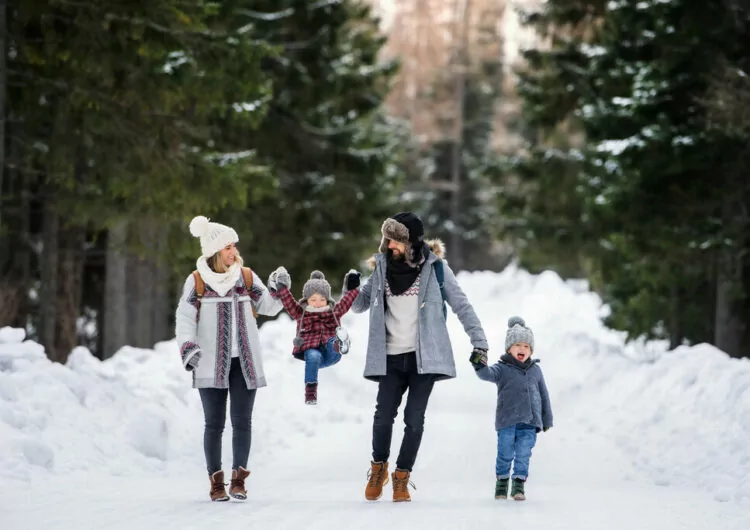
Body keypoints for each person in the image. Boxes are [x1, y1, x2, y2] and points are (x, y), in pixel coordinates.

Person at [348, 211, 488, 502]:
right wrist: (350, 290)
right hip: (389, 356)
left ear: (409, 242)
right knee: (383, 416)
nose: (388, 247)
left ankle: (402, 476)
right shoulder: (383, 268)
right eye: (387, 240)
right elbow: (359, 305)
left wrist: (480, 342)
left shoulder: (436, 269)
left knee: (414, 419)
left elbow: (462, 305)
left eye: (394, 241)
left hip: (424, 359)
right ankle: (378, 468)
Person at [175, 215, 283, 502]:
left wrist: (279, 287)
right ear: (214, 251)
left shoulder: (245, 277)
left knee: (243, 422)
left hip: (244, 363)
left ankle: (238, 481)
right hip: (209, 362)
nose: (233, 251)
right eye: (227, 247)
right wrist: (188, 348)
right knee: (214, 424)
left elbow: (269, 306)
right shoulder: (196, 281)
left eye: (234, 246)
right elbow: (185, 318)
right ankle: (216, 483)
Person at [470, 316, 553, 501]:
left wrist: (547, 419)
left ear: (531, 350)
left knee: (524, 454)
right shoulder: (502, 368)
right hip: (507, 420)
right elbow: (486, 374)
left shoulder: (536, 370)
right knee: (505, 453)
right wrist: (478, 363)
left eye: (526, 346)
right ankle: (501, 484)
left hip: (530, 422)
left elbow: (544, 395)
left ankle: (518, 486)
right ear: (509, 349)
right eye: (518, 346)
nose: (522, 349)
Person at [269, 268, 361, 404]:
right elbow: (288, 302)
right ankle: (311, 392)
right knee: (313, 355)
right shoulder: (301, 313)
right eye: (313, 299)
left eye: (322, 299)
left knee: (332, 341)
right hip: (312, 354)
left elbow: (346, 302)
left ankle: (340, 345)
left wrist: (353, 286)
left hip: (331, 354)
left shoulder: (333, 312)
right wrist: (282, 287)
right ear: (307, 300)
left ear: (327, 299)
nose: (318, 303)